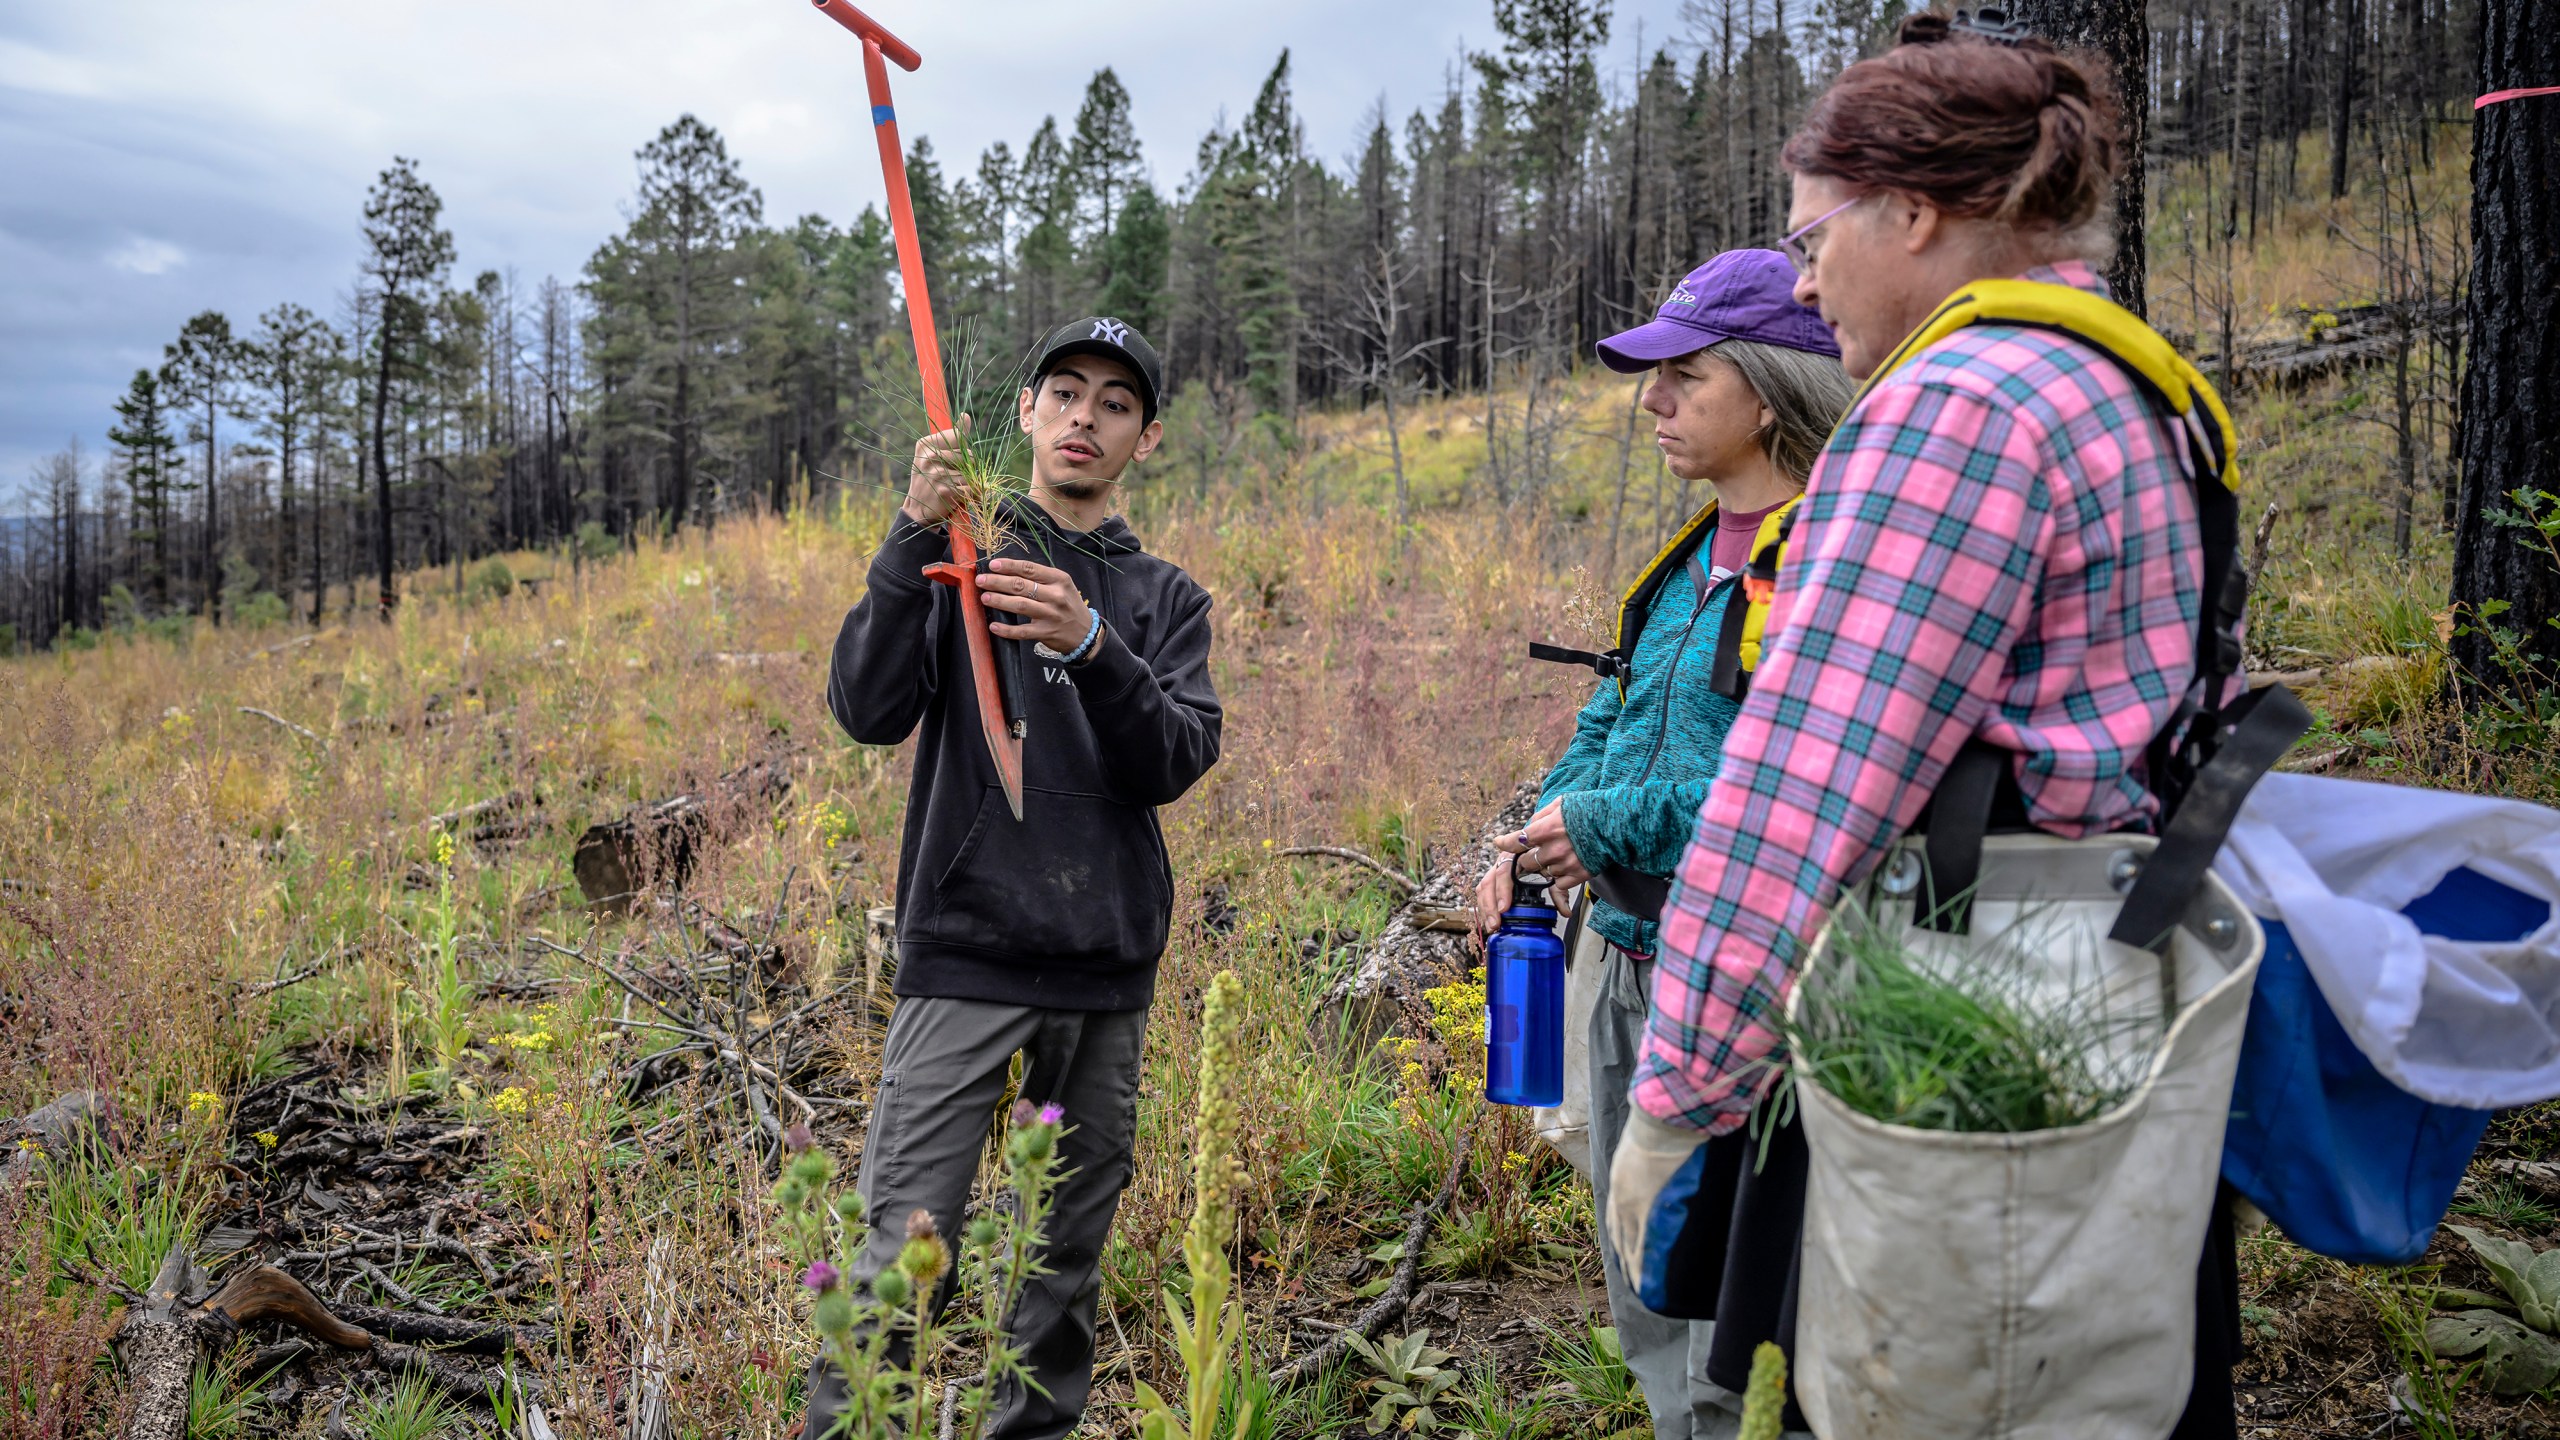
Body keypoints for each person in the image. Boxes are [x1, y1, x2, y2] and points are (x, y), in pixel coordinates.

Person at [1604, 12, 2254, 1438]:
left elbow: (1805, 790)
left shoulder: (1957, 409)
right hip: (2108, 987)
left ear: (1913, 211)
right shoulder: (2127, 381)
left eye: (1811, 232)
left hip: (1964, 1028)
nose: (1804, 273)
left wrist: (1679, 1092)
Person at [808, 316, 1221, 1440]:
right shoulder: (961, 554)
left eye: (1117, 401)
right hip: (968, 956)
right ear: (1027, 415)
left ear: (1145, 437)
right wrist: (908, 538)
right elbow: (865, 709)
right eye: (1066, 392)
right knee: (903, 1251)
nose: (1087, 415)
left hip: (1103, 975)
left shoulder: (1165, 600)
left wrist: (1093, 645)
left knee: (1058, 1272)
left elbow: (1176, 758)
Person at [1477, 248, 1851, 1440]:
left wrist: (1600, 824)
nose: (1653, 400)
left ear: (1769, 384)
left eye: (1683, 376)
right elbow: (1612, 713)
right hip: (1622, 957)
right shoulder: (1688, 560)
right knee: (1639, 1267)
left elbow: (1800, 780)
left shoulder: (1830, 559)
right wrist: (1531, 837)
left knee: (1737, 1304)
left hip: (1752, 988)